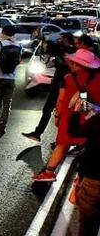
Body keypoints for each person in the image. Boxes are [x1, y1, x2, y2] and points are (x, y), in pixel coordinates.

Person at [33, 48, 100, 183]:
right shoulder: (98, 79)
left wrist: (57, 116)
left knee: (62, 144)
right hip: (92, 120)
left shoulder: (68, 79)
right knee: (87, 148)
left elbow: (61, 99)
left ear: (76, 64)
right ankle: (81, 179)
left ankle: (48, 173)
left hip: (70, 119)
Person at [63, 91, 100, 236]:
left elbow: (76, 130)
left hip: (94, 183)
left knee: (86, 235)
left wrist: (78, 111)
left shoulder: (97, 121)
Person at [24, 32, 75, 145]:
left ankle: (61, 140)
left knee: (62, 114)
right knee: (48, 110)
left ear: (66, 39)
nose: (59, 40)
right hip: (58, 85)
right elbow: (49, 64)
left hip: (65, 88)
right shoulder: (61, 51)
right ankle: (38, 134)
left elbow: (72, 68)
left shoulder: (72, 52)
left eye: (61, 38)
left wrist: (62, 56)